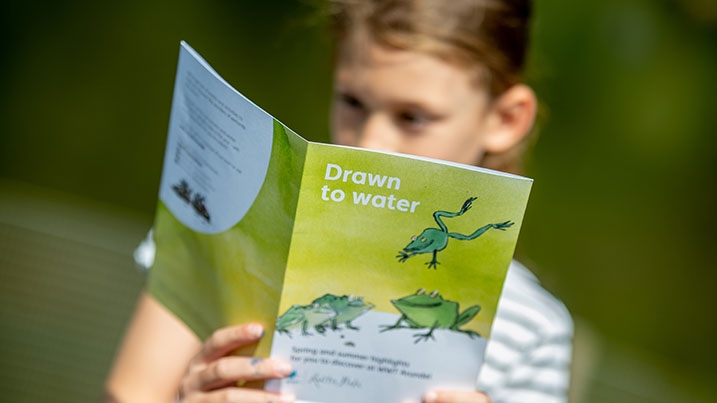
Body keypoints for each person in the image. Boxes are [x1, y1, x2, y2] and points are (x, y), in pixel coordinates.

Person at [105, 0, 573, 402]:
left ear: (507, 119)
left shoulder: (534, 332)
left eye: (413, 117)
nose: (369, 142)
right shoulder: (222, 229)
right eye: (352, 101)